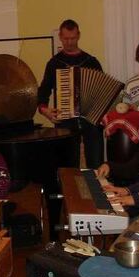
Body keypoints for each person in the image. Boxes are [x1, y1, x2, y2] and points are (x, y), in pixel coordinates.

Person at [37, 19, 104, 168]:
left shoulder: (91, 61)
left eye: (73, 38)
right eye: (66, 38)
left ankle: (98, 189)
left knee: (96, 162)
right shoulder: (54, 63)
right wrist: (44, 109)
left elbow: (102, 91)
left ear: (78, 35)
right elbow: (44, 90)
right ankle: (69, 190)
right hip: (65, 119)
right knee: (67, 163)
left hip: (91, 119)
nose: (69, 42)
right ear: (60, 36)